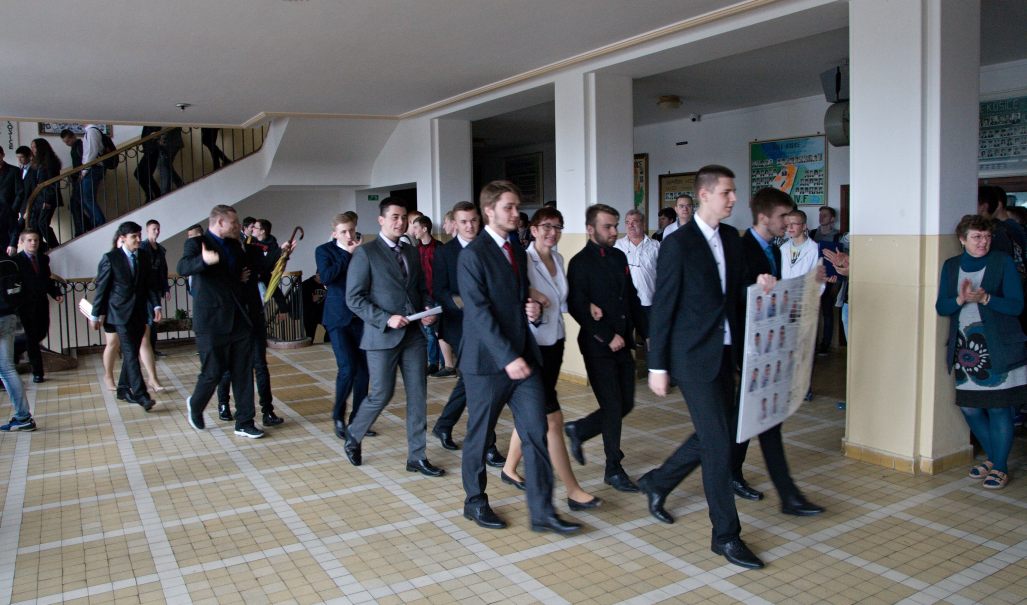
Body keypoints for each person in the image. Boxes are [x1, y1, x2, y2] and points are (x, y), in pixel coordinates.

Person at [638, 164, 765, 570]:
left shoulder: (731, 238)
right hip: (691, 357)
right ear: (705, 194)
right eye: (727, 192)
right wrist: (657, 365)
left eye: (733, 192)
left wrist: (760, 285)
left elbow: (735, 292)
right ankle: (725, 535)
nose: (734, 199)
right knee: (718, 444)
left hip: (725, 353)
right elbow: (664, 305)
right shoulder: (678, 243)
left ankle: (658, 481)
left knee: (716, 433)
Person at [457, 180, 579, 534]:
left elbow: (518, 297)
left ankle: (542, 512)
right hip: (487, 363)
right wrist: (507, 356)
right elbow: (479, 313)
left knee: (535, 431)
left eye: (516, 206)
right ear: (489, 211)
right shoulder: (473, 255)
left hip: (524, 358)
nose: (515, 213)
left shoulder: (513, 247)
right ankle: (474, 500)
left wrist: (532, 311)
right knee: (481, 434)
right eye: (508, 207)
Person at [732, 187, 824, 516]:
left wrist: (813, 282)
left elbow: (780, 294)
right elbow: (734, 296)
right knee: (751, 419)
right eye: (783, 216)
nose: (788, 222)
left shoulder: (773, 249)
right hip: (748, 347)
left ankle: (784, 493)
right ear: (764, 216)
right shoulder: (743, 249)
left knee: (759, 418)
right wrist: (755, 289)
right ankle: (665, 479)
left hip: (767, 345)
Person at [501, 207, 600, 510]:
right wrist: (531, 298)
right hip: (532, 347)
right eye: (546, 226)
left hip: (555, 343)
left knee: (532, 412)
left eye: (558, 227)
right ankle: (573, 491)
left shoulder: (558, 259)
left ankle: (508, 468)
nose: (552, 232)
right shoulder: (522, 260)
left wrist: (588, 306)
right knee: (552, 420)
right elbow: (512, 294)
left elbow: (562, 302)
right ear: (532, 230)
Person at [344, 197, 442, 476]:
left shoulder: (411, 251)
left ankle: (417, 456)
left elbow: (420, 289)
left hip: (413, 335)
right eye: (395, 217)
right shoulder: (366, 253)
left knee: (418, 395)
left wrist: (427, 309)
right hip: (382, 336)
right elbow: (354, 298)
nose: (400, 223)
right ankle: (354, 435)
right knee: (381, 394)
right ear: (381, 220)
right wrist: (386, 318)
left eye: (404, 218)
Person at [936, 215, 1024, 490]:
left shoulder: (1002, 262)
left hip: (999, 346)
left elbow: (1016, 306)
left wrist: (986, 298)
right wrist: (960, 299)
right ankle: (996, 459)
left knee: (999, 407)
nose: (983, 242)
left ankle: (999, 466)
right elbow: (942, 307)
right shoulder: (952, 266)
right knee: (969, 407)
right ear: (962, 239)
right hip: (966, 349)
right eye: (976, 237)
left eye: (986, 236)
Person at [565, 203, 647, 492]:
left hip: (623, 345)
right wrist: (606, 335)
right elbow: (576, 305)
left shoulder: (618, 256)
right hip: (598, 346)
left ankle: (580, 429)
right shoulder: (580, 263)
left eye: (615, 226)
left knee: (626, 404)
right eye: (608, 227)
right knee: (613, 407)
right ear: (590, 229)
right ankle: (613, 468)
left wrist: (647, 333)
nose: (614, 231)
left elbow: (632, 298)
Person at [429, 201, 506, 466]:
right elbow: (439, 289)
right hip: (460, 326)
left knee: (470, 382)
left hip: (488, 325)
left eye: (474, 220)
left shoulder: (491, 247)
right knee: (480, 386)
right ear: (455, 224)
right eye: (464, 222)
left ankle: (444, 424)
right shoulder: (445, 252)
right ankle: (488, 446)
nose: (470, 226)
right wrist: (457, 301)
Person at [180, 205, 266, 439]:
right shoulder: (197, 244)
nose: (238, 226)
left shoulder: (235, 246)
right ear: (219, 222)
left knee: (243, 371)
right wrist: (204, 260)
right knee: (213, 372)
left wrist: (281, 253)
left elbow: (248, 268)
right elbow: (183, 267)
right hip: (211, 322)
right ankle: (196, 405)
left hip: (238, 319)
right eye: (234, 222)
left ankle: (244, 421)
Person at [90, 221, 161, 412]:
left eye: (139, 235)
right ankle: (141, 395)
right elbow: (102, 288)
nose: (138, 239)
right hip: (119, 314)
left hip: (139, 313)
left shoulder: (144, 256)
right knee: (130, 353)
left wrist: (156, 305)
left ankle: (122, 388)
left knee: (134, 350)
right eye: (134, 236)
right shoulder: (111, 258)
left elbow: (149, 284)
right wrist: (95, 314)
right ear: (123, 238)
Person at [316, 212, 370, 440]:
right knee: (347, 368)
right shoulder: (324, 251)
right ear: (335, 233)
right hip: (337, 318)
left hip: (361, 317)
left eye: (351, 230)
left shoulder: (363, 250)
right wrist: (348, 254)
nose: (349, 235)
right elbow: (327, 277)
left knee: (364, 372)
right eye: (343, 232)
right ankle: (338, 415)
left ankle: (358, 420)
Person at [14, 230, 62, 383]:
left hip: (41, 303)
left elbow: (47, 280)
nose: (33, 243)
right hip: (25, 306)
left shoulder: (43, 259)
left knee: (41, 333)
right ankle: (38, 372)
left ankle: (15, 349)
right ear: (22, 242)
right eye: (29, 240)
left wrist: (55, 293)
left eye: (36, 240)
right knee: (32, 338)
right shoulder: (16, 261)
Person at [0, 250, 34, 432]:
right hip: (9, 316)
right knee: (7, 369)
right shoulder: (9, 262)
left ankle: (23, 416)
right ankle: (23, 417)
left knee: (5, 370)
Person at [614, 208, 660, 323]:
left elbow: (663, 274)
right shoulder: (617, 246)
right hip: (625, 301)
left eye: (634, 221)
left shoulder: (656, 246)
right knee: (626, 333)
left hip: (648, 300)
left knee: (649, 332)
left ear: (643, 224)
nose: (630, 225)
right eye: (627, 222)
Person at [411, 215, 442, 375]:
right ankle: (433, 362)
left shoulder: (439, 247)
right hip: (425, 295)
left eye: (416, 227)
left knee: (440, 330)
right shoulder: (414, 250)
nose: (413, 231)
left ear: (424, 229)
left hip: (439, 293)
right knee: (429, 330)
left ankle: (445, 363)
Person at [811, 206, 841, 355]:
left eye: (825, 215)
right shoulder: (812, 234)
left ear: (832, 219)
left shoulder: (837, 236)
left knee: (827, 312)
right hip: (813, 278)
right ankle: (811, 344)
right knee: (811, 312)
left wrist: (836, 280)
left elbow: (841, 259)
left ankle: (825, 345)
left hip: (829, 280)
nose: (821, 217)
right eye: (820, 214)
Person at [23, 138, 62, 250]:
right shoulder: (38, 163)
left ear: (41, 148)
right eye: (31, 147)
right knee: (35, 224)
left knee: (42, 223)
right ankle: (42, 248)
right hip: (39, 199)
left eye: (34, 147)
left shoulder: (50, 162)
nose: (32, 149)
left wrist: (47, 200)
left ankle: (55, 247)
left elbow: (52, 183)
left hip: (47, 199)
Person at [143, 220, 170, 357]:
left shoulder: (160, 249)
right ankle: (148, 350)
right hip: (146, 290)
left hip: (157, 288)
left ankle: (151, 349)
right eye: (154, 229)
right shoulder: (143, 247)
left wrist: (166, 289)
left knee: (154, 320)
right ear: (147, 230)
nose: (157, 231)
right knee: (149, 319)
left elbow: (163, 271)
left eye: (158, 229)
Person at [59, 129, 87, 236]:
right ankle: (86, 226)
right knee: (74, 205)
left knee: (75, 205)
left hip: (80, 179)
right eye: (65, 142)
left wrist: (80, 174)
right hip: (77, 179)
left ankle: (81, 230)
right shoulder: (75, 147)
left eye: (68, 141)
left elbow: (83, 162)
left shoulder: (79, 146)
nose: (67, 144)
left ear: (73, 137)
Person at [0, 148, 21, 254]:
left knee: (9, 249)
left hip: (9, 211)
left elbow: (20, 192)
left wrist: (13, 209)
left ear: (3, 155)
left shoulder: (14, 170)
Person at [135, 126, 163, 203]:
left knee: (146, 174)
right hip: (148, 152)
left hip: (153, 151)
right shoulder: (147, 125)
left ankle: (154, 194)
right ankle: (151, 194)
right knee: (138, 173)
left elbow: (158, 131)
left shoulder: (153, 124)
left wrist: (155, 135)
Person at [158, 127, 184, 195]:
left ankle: (166, 191)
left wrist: (162, 136)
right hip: (171, 142)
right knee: (166, 165)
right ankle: (178, 184)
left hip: (171, 142)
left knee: (164, 164)